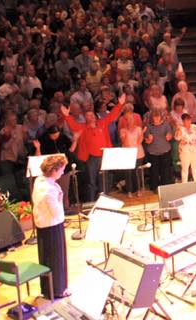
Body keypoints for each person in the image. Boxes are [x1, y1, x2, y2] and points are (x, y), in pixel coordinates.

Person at [61, 94, 126, 202]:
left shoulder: (102, 123)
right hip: (92, 158)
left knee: (105, 180)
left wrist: (120, 104)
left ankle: (105, 201)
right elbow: (73, 125)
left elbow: (112, 116)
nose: (90, 117)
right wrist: (66, 116)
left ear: (95, 117)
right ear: (85, 119)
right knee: (91, 182)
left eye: (91, 115)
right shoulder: (83, 127)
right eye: (87, 116)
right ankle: (91, 202)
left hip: (105, 156)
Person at [32, 154, 68, 299]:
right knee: (56, 260)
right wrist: (60, 198)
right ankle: (58, 290)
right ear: (54, 170)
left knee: (46, 258)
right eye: (62, 169)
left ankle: (47, 290)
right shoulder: (49, 189)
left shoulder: (39, 180)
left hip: (43, 227)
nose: (63, 172)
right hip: (52, 226)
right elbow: (56, 213)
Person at [144, 109, 174, 190]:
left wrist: (169, 136)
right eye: (155, 117)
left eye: (158, 117)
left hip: (165, 151)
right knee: (154, 171)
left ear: (161, 117)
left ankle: (166, 187)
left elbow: (170, 136)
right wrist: (149, 139)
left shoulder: (166, 125)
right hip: (153, 152)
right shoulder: (149, 126)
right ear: (152, 118)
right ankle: (155, 187)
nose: (157, 119)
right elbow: (147, 140)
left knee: (165, 171)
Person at [175, 113, 196, 182]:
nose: (188, 122)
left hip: (195, 150)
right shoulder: (181, 129)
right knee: (185, 169)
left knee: (195, 167)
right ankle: (185, 185)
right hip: (185, 152)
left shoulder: (194, 127)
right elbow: (177, 138)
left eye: (189, 120)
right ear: (183, 121)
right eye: (186, 120)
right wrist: (178, 130)